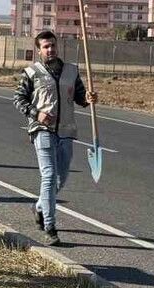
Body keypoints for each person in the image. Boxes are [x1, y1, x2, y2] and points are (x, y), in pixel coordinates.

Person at [12, 29, 96, 247]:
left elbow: (80, 97)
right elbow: (18, 99)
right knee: (48, 176)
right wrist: (36, 113)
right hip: (42, 130)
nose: (50, 49)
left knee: (61, 179)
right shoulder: (31, 73)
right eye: (45, 46)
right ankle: (50, 227)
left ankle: (39, 206)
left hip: (67, 131)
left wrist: (89, 98)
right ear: (39, 51)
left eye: (52, 45)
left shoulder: (71, 71)